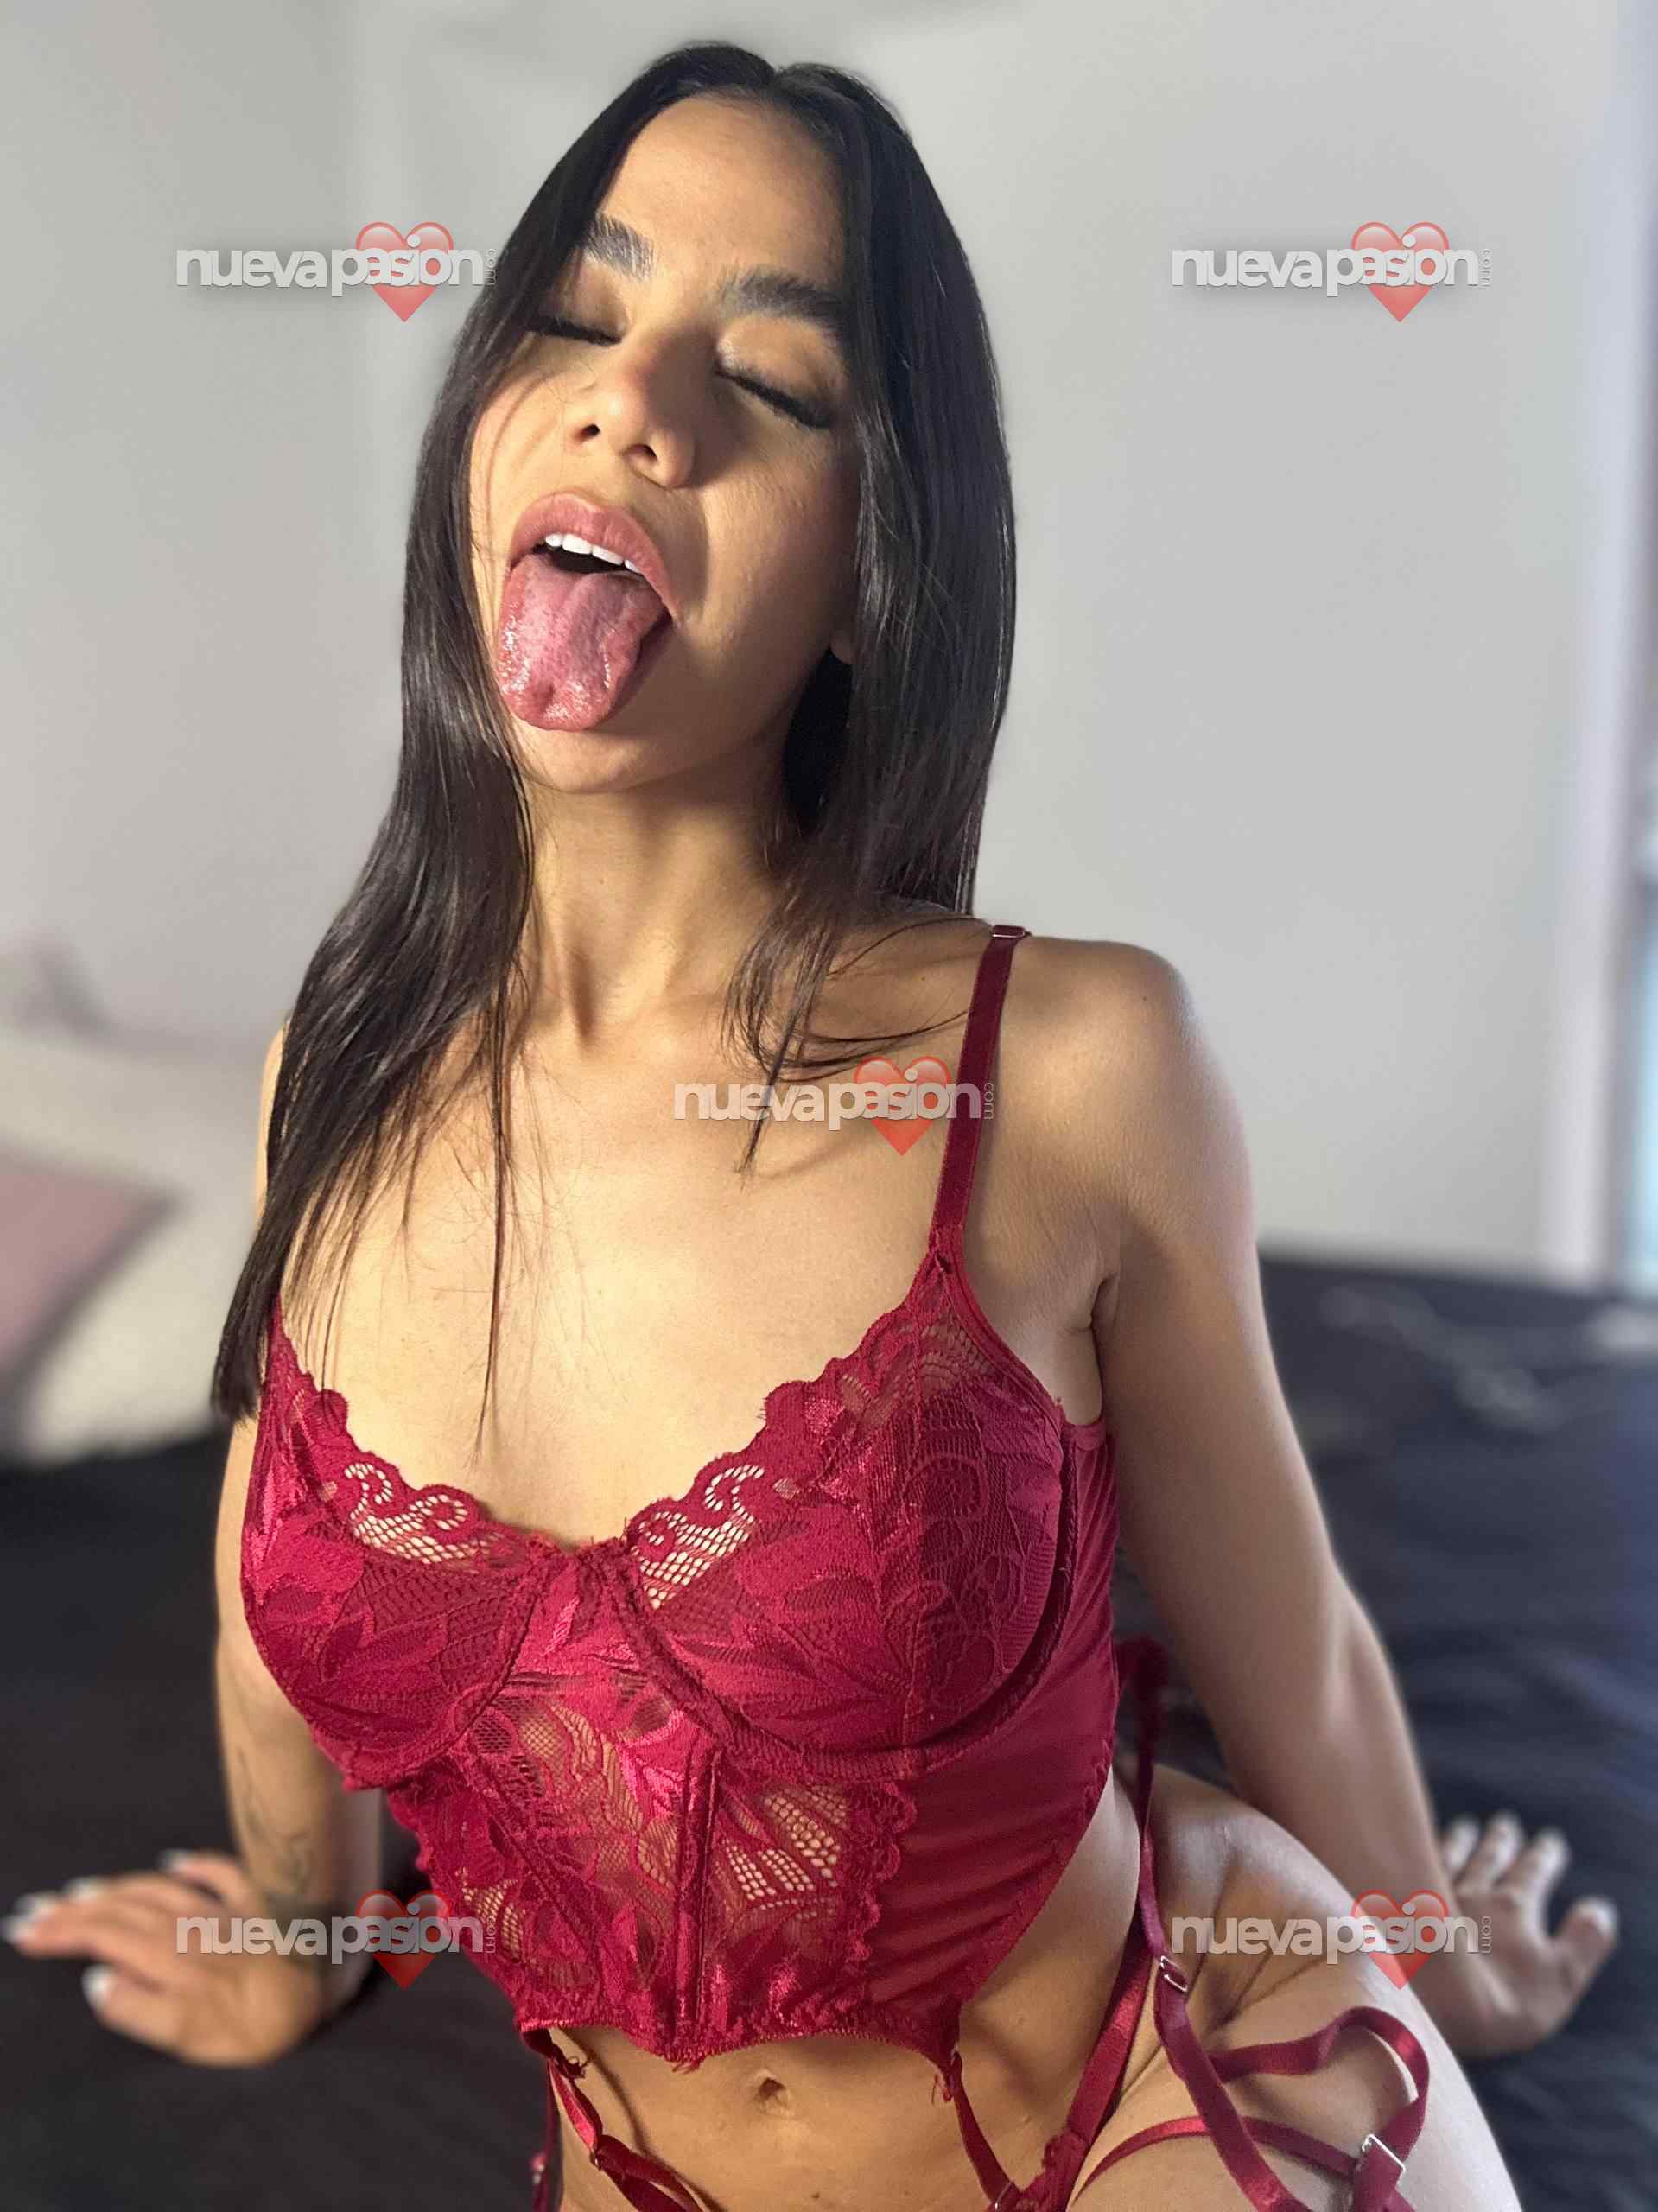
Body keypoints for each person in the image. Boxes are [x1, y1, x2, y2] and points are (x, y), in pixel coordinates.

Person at [3, 39, 1616, 2212]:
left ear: (872, 573)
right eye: (575, 318)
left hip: (1154, 2082)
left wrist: (1442, 1952)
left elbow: (1294, 1633)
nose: (635, 401)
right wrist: (298, 1949)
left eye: (769, 381)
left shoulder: (1071, 1065)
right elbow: (262, 1626)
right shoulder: (341, 1068)